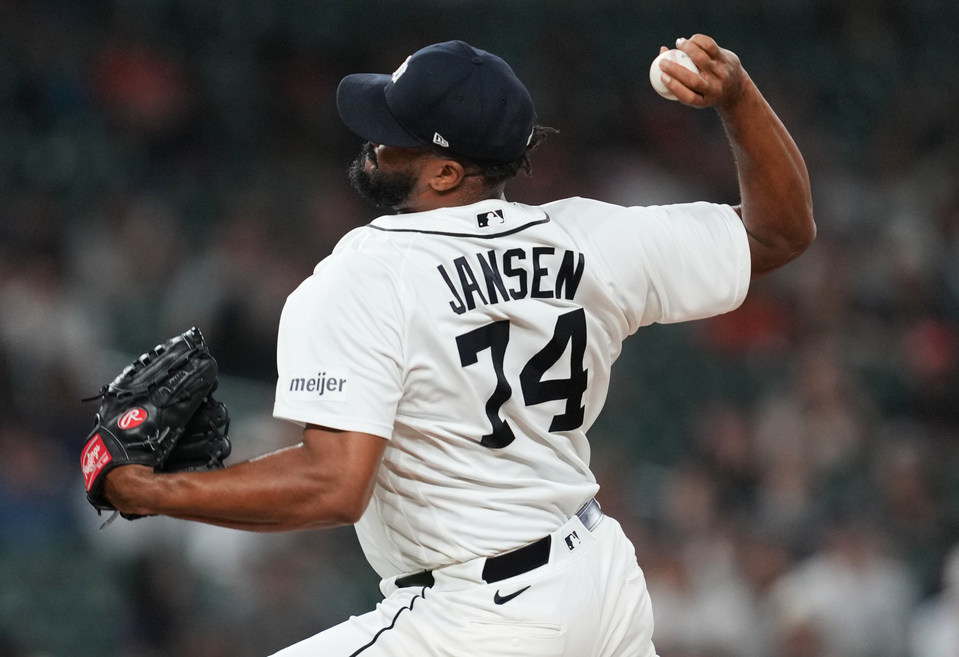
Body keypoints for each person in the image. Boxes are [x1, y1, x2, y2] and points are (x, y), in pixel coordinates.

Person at [102, 34, 815, 656]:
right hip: (598, 582)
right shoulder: (591, 239)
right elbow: (780, 232)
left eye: (394, 133)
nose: (373, 139)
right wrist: (738, 96)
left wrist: (153, 491)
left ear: (447, 172)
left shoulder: (366, 272)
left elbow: (334, 484)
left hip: (478, 617)